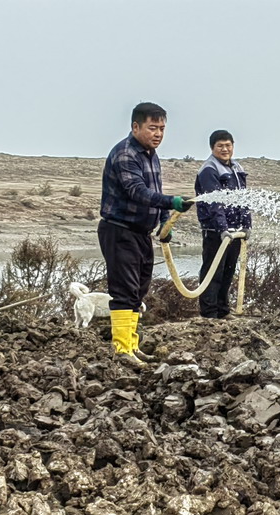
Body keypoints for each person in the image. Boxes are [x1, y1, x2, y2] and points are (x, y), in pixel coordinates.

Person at [98, 102, 193, 366]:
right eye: (152, 128)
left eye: (162, 128)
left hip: (140, 232)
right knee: (124, 290)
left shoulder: (151, 155)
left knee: (138, 290)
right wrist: (172, 202)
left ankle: (132, 345)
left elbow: (155, 191)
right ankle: (121, 349)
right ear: (135, 126)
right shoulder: (125, 154)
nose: (158, 133)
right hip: (119, 230)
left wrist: (164, 222)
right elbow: (137, 192)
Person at [194, 130, 251, 319]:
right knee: (213, 271)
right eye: (220, 146)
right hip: (215, 231)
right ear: (212, 148)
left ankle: (223, 310)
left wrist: (246, 224)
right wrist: (222, 228)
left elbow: (243, 198)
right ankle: (209, 313)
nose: (225, 149)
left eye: (228, 145)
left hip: (235, 231)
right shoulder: (209, 170)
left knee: (228, 270)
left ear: (233, 146)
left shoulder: (237, 168)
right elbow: (214, 202)